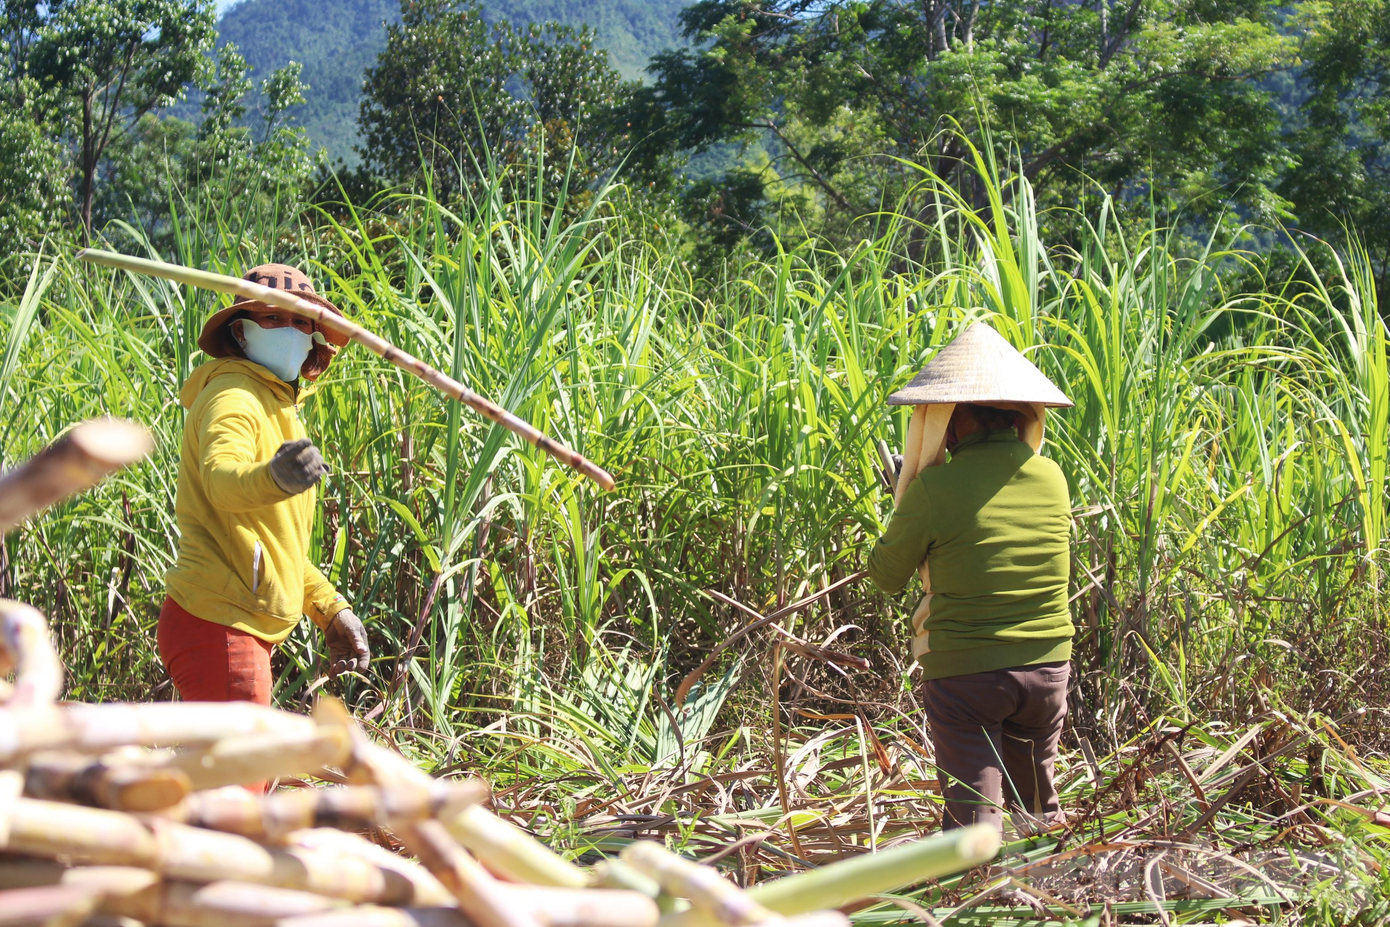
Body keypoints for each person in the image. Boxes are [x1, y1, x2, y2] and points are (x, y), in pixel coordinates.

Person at [867, 322, 1074, 834]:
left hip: (967, 679)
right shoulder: (1052, 477)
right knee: (1037, 813)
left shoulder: (933, 488)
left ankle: (980, 899)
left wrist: (903, 499)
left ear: (949, 423)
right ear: (1018, 416)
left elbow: (886, 575)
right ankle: (1047, 899)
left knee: (975, 827)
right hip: (1048, 668)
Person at [159, 263, 370, 708]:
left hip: (232, 621)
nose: (289, 330)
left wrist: (331, 610)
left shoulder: (278, 404)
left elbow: (273, 540)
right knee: (240, 774)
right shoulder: (234, 394)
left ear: (315, 335)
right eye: (274, 317)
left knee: (239, 770)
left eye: (300, 321)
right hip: (217, 622)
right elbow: (222, 481)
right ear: (240, 332)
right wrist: (274, 477)